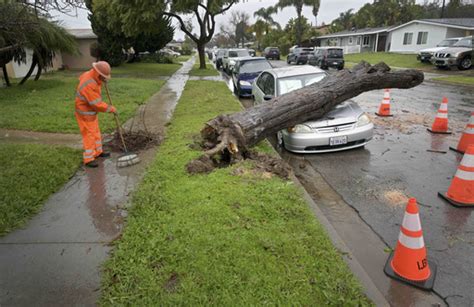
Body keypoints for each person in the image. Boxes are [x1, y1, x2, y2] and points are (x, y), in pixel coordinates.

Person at [75, 61, 117, 168]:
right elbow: (96, 104)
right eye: (103, 77)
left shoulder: (92, 75)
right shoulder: (89, 84)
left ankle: (98, 152)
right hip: (85, 113)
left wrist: (102, 81)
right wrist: (110, 109)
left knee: (96, 132)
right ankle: (88, 158)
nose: (104, 79)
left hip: (91, 112)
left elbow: (95, 86)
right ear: (98, 74)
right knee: (89, 135)